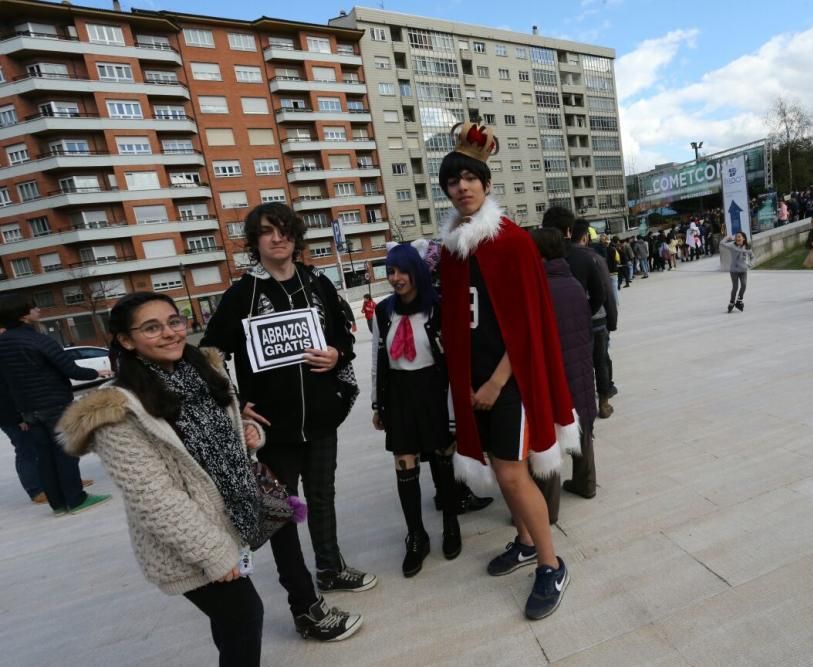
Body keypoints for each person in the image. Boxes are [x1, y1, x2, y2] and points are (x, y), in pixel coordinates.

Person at [58, 292, 270, 666]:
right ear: (126, 340)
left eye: (174, 321)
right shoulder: (118, 410)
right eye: (151, 328)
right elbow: (152, 498)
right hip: (186, 542)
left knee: (231, 621)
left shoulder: (204, 372)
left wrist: (250, 433)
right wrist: (213, 553)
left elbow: (221, 443)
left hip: (230, 522)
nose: (170, 333)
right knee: (244, 615)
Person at [200, 202, 371, 641]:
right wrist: (234, 405)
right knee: (282, 514)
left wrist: (336, 354)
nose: (278, 238)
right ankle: (304, 606)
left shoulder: (317, 283)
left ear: (296, 235)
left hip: (320, 417)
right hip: (273, 430)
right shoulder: (242, 295)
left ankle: (330, 568)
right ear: (254, 242)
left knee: (322, 494)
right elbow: (207, 358)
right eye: (267, 232)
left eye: (285, 230)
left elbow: (343, 338)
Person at [437, 121, 576, 620]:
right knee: (500, 470)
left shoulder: (513, 242)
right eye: (453, 181)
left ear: (487, 183)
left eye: (470, 178)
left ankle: (550, 564)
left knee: (515, 477)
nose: (462, 187)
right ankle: (522, 541)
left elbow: (529, 327)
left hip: (509, 383)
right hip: (475, 385)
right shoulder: (454, 251)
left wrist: (496, 382)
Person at [371, 243, 462, 577]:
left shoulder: (438, 308)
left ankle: (451, 524)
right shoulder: (383, 312)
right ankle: (417, 536)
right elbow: (378, 359)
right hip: (398, 394)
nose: (396, 278)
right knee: (404, 464)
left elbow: (453, 361)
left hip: (434, 391)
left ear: (417, 272)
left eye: (402, 271)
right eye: (390, 272)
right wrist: (377, 403)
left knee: (442, 457)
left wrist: (455, 407)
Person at [0, 294, 112, 515]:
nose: (39, 310)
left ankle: (58, 504)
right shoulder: (39, 340)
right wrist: (97, 372)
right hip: (53, 404)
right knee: (65, 452)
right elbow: (71, 370)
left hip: (28, 409)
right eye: (34, 307)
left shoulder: (2, 344)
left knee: (44, 455)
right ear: (23, 314)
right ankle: (76, 499)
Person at [530, 228, 599, 508]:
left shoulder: (538, 288)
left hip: (552, 371)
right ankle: (586, 483)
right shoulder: (572, 283)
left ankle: (548, 507)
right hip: (581, 365)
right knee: (581, 422)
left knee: (551, 432)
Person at [541, 207, 616, 420]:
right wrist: (588, 313)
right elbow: (601, 292)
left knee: (567, 370)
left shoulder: (539, 260)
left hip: (556, 327)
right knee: (597, 362)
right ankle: (602, 403)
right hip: (591, 321)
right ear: (569, 230)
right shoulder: (584, 256)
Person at [0, 351, 44, 504]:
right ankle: (35, 490)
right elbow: (4, 394)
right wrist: (18, 418)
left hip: (20, 412)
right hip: (11, 417)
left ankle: (59, 481)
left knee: (37, 448)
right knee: (26, 450)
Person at [720, 233, 753, 313]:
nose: (737, 238)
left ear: (743, 239)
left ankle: (739, 300)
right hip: (734, 271)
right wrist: (726, 238)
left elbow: (752, 256)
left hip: (743, 270)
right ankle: (732, 302)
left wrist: (750, 264)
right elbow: (722, 243)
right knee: (735, 287)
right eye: (736, 237)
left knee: (744, 285)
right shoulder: (732, 246)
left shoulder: (747, 247)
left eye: (739, 237)